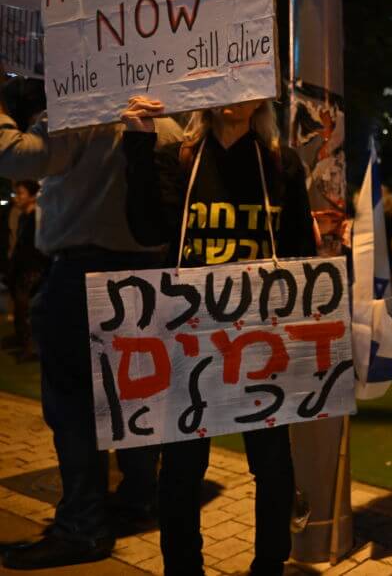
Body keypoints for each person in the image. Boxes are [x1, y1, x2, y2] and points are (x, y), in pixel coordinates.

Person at [120, 95, 316, 576]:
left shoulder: (279, 163)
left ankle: (269, 565)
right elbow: (146, 229)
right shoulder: (179, 159)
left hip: (257, 340)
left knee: (272, 465)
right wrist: (138, 142)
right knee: (183, 469)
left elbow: (299, 252)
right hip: (190, 341)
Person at [0, 79, 173, 569]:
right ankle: (137, 499)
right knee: (138, 393)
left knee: (74, 406)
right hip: (147, 274)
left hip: (83, 272)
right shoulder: (167, 112)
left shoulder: (85, 104)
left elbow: (19, 158)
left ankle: (82, 526)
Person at [7, 180, 47, 360]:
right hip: (22, 269)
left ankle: (32, 348)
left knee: (29, 310)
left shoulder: (37, 218)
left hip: (33, 270)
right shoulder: (23, 217)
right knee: (21, 309)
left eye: (21, 193)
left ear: (32, 196)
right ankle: (24, 343)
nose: (17, 197)